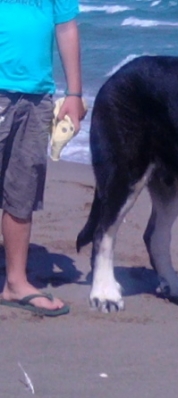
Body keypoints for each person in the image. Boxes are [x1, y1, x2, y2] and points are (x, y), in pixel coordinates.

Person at [0, 0, 86, 316]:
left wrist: (75, 94)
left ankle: (15, 282)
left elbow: (66, 28)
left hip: (37, 98)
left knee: (22, 190)